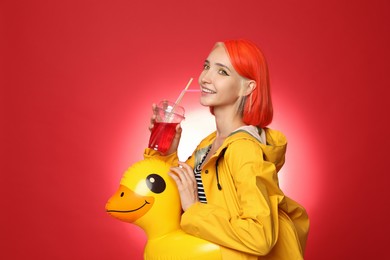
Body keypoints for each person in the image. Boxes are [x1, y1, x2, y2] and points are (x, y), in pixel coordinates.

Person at [144, 39, 309, 259]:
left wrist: (194, 209)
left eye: (222, 72)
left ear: (247, 87)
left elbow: (259, 237)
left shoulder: (244, 150)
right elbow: (170, 200)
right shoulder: (210, 143)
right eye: (206, 66)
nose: (206, 77)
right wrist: (166, 153)